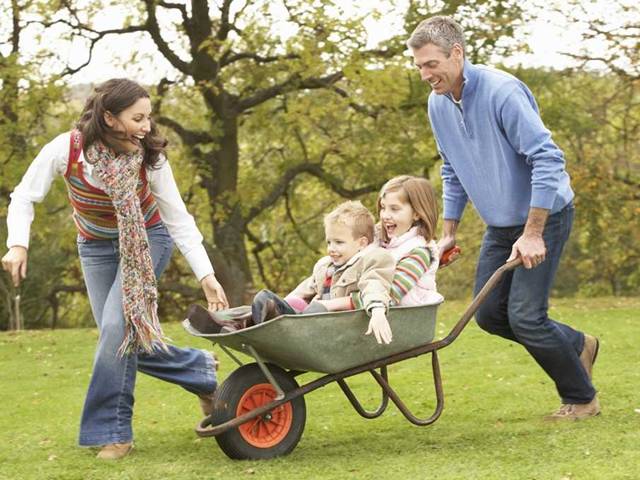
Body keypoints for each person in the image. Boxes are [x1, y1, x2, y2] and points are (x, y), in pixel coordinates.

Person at [1, 78, 229, 459]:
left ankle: (114, 431)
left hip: (147, 239)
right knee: (120, 337)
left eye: (148, 117)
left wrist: (206, 276)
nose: (146, 126)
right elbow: (24, 195)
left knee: (114, 331)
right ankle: (199, 371)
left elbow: (179, 220)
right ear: (109, 117)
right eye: (137, 118)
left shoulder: (150, 157)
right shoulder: (67, 149)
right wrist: (17, 244)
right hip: (94, 246)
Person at [407, 16, 600, 420]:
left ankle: (582, 399)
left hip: (544, 217)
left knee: (527, 317)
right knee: (490, 315)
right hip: (500, 225)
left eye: (430, 64)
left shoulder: (502, 92)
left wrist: (533, 232)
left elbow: (548, 159)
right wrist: (448, 231)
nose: (424, 74)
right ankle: (579, 344)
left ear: (456, 54)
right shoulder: (437, 103)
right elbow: (451, 167)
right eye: (419, 66)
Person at [190, 200, 396, 344]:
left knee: (265, 299)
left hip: (334, 329)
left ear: (361, 243)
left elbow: (375, 288)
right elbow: (301, 292)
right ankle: (229, 324)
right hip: (311, 320)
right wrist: (287, 304)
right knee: (267, 302)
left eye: (339, 242)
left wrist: (377, 311)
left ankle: (239, 326)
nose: (331, 248)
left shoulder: (373, 259)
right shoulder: (325, 266)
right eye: (329, 241)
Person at [377, 175, 443, 307]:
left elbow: (390, 293)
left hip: (406, 321)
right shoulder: (382, 242)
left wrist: (340, 303)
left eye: (394, 209)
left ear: (416, 213)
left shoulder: (419, 251)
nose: (385, 215)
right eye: (383, 207)